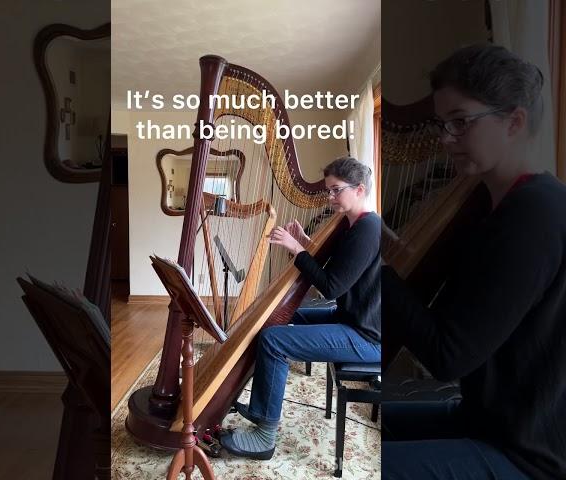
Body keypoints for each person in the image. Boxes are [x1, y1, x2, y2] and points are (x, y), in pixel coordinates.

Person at [382, 44, 566, 480]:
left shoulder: (535, 214)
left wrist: (381, 275)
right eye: (443, 124)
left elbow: (449, 356)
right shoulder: (495, 202)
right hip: (488, 418)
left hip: (525, 451)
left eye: (460, 122)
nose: (446, 139)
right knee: (370, 428)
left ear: (514, 122)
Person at [220, 156, 381, 459]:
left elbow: (331, 286)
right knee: (277, 316)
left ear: (359, 189)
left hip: (366, 337)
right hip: (348, 317)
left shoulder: (368, 229)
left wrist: (297, 250)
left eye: (336, 190)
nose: (330, 197)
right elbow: (339, 270)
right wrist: (306, 242)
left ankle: (264, 437)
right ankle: (259, 403)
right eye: (328, 191)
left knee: (274, 340)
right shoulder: (350, 225)